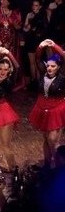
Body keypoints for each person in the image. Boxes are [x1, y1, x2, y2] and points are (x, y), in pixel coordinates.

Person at [28, 39, 65, 169]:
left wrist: (54, 46)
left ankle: (59, 167)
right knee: (45, 139)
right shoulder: (44, 73)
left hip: (56, 109)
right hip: (42, 107)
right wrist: (40, 47)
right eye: (48, 66)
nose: (49, 68)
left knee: (52, 140)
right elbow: (37, 59)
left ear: (58, 67)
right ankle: (47, 165)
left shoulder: (62, 76)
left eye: (53, 66)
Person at [0, 0, 24, 89]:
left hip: (12, 41)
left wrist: (14, 23)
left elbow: (18, 27)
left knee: (12, 59)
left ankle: (11, 82)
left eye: (4, 0)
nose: (1, 1)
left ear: (9, 2)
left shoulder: (16, 12)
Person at [23, 0, 48, 88]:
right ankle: (33, 81)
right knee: (32, 62)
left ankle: (39, 81)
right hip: (30, 40)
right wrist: (27, 27)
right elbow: (25, 29)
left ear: (40, 7)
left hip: (38, 41)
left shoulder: (42, 16)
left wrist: (36, 30)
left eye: (36, 5)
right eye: (33, 5)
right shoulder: (29, 15)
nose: (34, 7)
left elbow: (44, 29)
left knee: (38, 61)